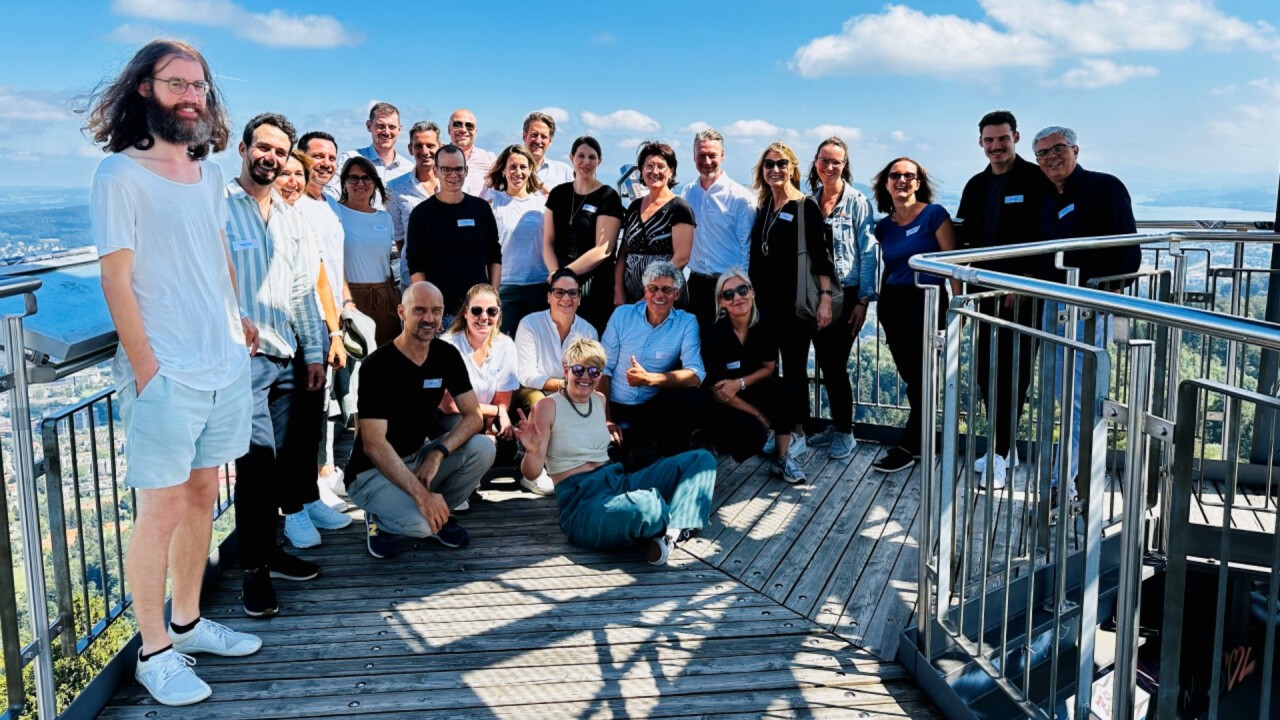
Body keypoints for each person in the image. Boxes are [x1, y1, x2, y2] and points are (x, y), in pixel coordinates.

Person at [89, 38, 261, 707]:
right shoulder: (119, 175)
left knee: (200, 499)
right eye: (177, 85)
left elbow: (213, 248)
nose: (192, 98)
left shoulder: (205, 165)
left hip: (221, 362)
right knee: (157, 513)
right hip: (167, 374)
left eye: (200, 87)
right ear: (144, 89)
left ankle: (187, 624)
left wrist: (237, 314)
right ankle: (153, 652)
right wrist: (146, 368)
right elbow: (116, 278)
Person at [224, 113, 330, 620]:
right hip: (244, 361)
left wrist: (314, 348)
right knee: (256, 466)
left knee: (286, 461)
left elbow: (301, 290)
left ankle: (271, 551)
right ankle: (253, 572)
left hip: (286, 355)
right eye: (262, 147)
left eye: (280, 152)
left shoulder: (290, 217)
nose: (271, 157)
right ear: (243, 148)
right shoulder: (220, 207)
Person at [514, 338, 717, 565]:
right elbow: (531, 474)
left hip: (617, 481)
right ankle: (676, 520)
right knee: (647, 505)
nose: (586, 377)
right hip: (581, 504)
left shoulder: (599, 400)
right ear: (566, 369)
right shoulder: (547, 406)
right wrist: (531, 452)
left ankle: (672, 532)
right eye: (578, 369)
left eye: (594, 371)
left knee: (701, 460)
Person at [346, 282, 497, 559]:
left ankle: (437, 513)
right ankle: (380, 517)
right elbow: (374, 445)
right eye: (420, 310)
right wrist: (422, 495)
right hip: (370, 473)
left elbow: (474, 416)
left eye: (436, 311)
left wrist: (438, 453)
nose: (429, 318)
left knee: (484, 448)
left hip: (417, 457)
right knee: (422, 524)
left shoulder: (446, 355)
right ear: (402, 312)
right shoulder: (377, 366)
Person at [1034, 125, 1137, 501]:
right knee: (1063, 392)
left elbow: (1128, 248)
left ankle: (1065, 481)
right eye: (1042, 154)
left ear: (1075, 149)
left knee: (1082, 395)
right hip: (1054, 302)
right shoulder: (1047, 196)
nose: (1051, 158)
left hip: (1089, 306)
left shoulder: (1104, 187)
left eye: (1057, 149)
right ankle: (1072, 472)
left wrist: (1107, 296)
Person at [955, 111, 1051, 491]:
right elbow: (964, 241)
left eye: (1003, 139)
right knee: (984, 373)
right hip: (984, 293)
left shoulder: (1034, 180)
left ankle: (1001, 453)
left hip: (1021, 297)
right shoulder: (976, 185)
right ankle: (999, 446)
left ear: (1016, 137)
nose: (996, 146)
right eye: (989, 140)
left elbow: (1045, 236)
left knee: (1015, 373)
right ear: (980, 142)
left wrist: (1024, 280)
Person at [273, 151, 352, 515]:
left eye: (297, 175)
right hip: (274, 340)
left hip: (311, 333)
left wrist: (333, 332)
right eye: (285, 173)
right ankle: (290, 510)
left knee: (308, 423)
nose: (293, 181)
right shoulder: (262, 217)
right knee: (281, 435)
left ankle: (307, 498)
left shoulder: (303, 219)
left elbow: (321, 280)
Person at [870, 157, 960, 474]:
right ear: (887, 183)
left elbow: (953, 265)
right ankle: (920, 441)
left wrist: (958, 308)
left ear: (919, 182)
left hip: (928, 301)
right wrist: (880, 307)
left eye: (910, 175)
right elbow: (889, 267)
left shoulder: (935, 215)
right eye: (896, 175)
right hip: (894, 305)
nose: (903, 180)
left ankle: (910, 445)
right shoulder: (884, 226)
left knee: (924, 375)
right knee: (912, 376)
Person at [748, 142, 835, 465]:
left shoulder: (804, 206)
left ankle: (798, 432)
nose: (775, 170)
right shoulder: (766, 205)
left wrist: (825, 299)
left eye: (782, 164)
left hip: (795, 306)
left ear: (793, 168)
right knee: (769, 370)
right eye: (769, 164)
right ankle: (778, 428)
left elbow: (823, 258)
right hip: (764, 306)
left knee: (795, 370)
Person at [806, 137, 878, 462]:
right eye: (825, 160)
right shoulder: (809, 201)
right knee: (825, 360)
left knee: (834, 363)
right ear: (816, 162)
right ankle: (836, 426)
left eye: (836, 161)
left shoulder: (858, 202)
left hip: (846, 294)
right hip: (815, 292)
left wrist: (864, 300)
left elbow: (868, 251)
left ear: (845, 164)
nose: (830, 166)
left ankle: (846, 432)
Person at [701, 268, 803, 483]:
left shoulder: (766, 323)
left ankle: (782, 458)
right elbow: (719, 390)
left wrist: (739, 383)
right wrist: (757, 414)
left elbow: (769, 367)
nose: (737, 297)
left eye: (742, 290)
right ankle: (711, 442)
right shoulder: (715, 334)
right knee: (749, 441)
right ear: (722, 302)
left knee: (789, 389)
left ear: (752, 292)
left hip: (748, 387)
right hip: (726, 402)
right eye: (729, 294)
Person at [600, 261, 704, 465]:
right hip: (613, 404)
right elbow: (603, 368)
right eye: (653, 288)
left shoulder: (687, 322)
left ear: (677, 294)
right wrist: (606, 419)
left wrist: (650, 379)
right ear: (645, 291)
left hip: (651, 407)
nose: (659, 295)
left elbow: (696, 374)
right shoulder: (622, 315)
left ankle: (672, 458)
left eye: (667, 289)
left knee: (692, 398)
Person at [298, 131, 354, 499]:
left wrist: (346, 301)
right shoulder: (294, 204)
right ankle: (311, 482)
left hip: (335, 315)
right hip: (312, 318)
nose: (326, 163)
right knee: (313, 403)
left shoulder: (330, 204)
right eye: (317, 156)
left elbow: (335, 264)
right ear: (301, 158)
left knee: (330, 399)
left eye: (331, 157)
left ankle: (327, 468)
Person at [514, 269, 599, 495]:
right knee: (539, 401)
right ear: (549, 297)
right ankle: (533, 470)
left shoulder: (588, 331)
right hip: (534, 390)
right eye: (559, 292)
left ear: (580, 299)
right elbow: (526, 375)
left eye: (572, 293)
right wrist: (564, 386)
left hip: (572, 390)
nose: (566, 299)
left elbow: (591, 374)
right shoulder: (530, 324)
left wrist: (571, 387)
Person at [406, 144, 502, 324]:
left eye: (458, 169)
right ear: (436, 171)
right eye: (446, 169)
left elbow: (494, 255)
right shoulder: (421, 214)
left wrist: (493, 300)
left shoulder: (480, 209)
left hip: (478, 310)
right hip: (440, 312)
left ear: (466, 171)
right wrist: (429, 308)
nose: (453, 175)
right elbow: (415, 264)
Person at [542, 136, 624, 333]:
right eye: (581, 156)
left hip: (593, 285)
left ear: (599, 162)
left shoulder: (607, 196)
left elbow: (603, 249)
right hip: (559, 283)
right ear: (571, 158)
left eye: (592, 157)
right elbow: (548, 242)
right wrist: (556, 275)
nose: (586, 162)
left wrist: (564, 274)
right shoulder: (557, 194)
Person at [680, 129, 757, 331]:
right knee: (700, 347)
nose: (706, 161)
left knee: (729, 350)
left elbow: (747, 247)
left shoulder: (740, 197)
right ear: (694, 156)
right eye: (701, 155)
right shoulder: (688, 192)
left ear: (722, 155)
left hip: (729, 285)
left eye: (712, 155)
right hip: (696, 284)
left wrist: (742, 290)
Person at [439, 284, 520, 468]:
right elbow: (449, 404)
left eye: (491, 311)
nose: (484, 317)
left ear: (498, 314)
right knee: (466, 428)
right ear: (466, 312)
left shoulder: (506, 345)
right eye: (477, 310)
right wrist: (497, 413)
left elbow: (502, 398)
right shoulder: (448, 345)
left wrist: (491, 425)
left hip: (485, 417)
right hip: (451, 418)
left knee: (505, 446)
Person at [616, 141, 696, 305]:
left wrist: (649, 295)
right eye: (649, 166)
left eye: (661, 166)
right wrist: (618, 292)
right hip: (630, 300)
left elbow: (681, 258)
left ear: (671, 171)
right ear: (641, 170)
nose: (655, 171)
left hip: (665, 299)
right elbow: (623, 252)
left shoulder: (679, 208)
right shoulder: (634, 207)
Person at [484, 144, 548, 333]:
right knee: (503, 344)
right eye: (512, 167)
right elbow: (485, 250)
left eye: (523, 167)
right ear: (503, 169)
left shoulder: (542, 204)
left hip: (538, 286)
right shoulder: (492, 203)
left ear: (530, 169)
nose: (517, 172)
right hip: (504, 287)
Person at [337, 156, 399, 347]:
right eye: (353, 178)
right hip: (350, 299)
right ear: (345, 182)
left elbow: (390, 260)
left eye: (366, 178)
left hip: (384, 298)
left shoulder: (385, 218)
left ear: (374, 182)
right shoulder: (334, 212)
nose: (360, 183)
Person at [387, 121, 442, 291]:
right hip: (412, 278)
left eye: (430, 145)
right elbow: (399, 237)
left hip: (451, 275)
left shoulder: (459, 183)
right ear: (410, 149)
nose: (424, 151)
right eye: (419, 146)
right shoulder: (394, 187)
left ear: (440, 147)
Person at [329, 102, 411, 200]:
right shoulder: (350, 158)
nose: (387, 132)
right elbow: (332, 194)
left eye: (392, 127)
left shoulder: (409, 169)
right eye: (381, 126)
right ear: (369, 126)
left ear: (399, 129)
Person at [448, 108, 497, 196]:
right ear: (449, 129)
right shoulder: (438, 158)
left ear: (476, 132)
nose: (463, 130)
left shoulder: (489, 159)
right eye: (457, 125)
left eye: (469, 126)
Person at [522, 111, 574, 190]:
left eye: (543, 136)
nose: (538, 141)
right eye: (534, 135)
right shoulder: (509, 172)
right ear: (524, 136)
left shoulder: (564, 172)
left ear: (550, 141)